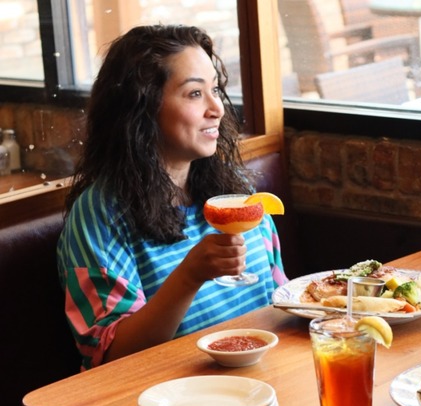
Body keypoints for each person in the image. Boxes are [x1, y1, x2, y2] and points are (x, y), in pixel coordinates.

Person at [57, 24, 288, 371]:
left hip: (265, 379)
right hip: (169, 403)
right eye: (195, 94)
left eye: (215, 89)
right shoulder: (99, 216)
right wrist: (189, 275)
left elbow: (279, 298)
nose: (218, 109)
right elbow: (109, 357)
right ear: (142, 107)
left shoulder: (236, 190)